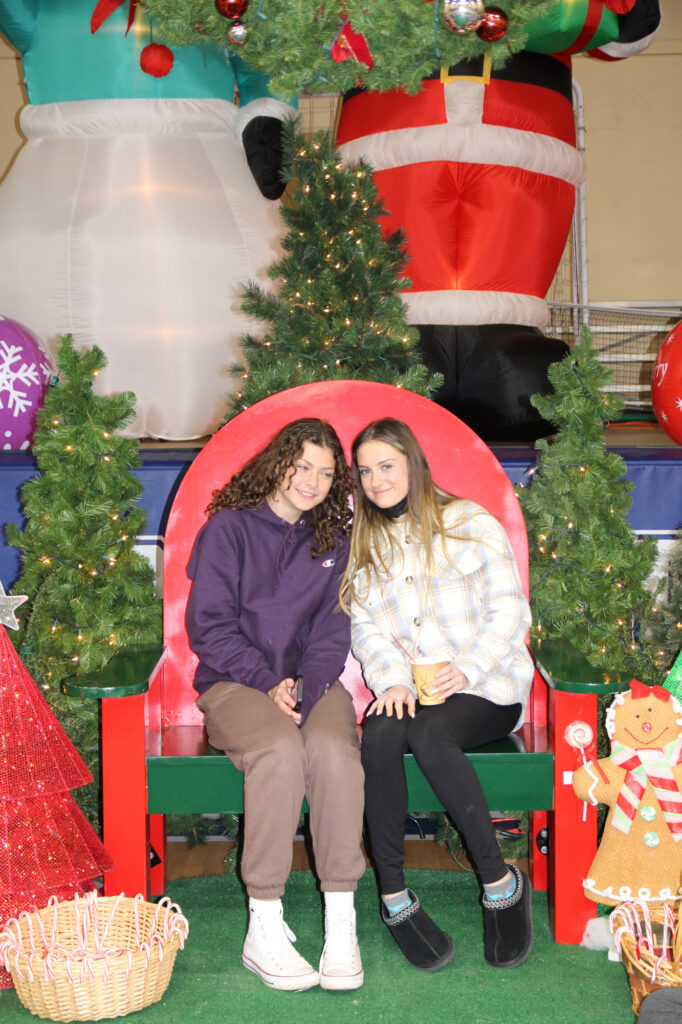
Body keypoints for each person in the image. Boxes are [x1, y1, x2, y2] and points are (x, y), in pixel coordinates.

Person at [340, 418, 534, 971]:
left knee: (429, 731)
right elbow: (366, 630)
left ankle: (499, 882)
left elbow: (510, 611)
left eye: (386, 466)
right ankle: (393, 894)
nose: (376, 480)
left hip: (488, 685)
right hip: (414, 687)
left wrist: (466, 670)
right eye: (365, 471)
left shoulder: (469, 523)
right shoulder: (367, 544)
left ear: (413, 464)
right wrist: (393, 679)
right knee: (380, 732)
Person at [186, 418, 365, 992]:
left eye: (326, 473)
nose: (312, 481)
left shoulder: (334, 540)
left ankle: (341, 922)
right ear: (279, 462)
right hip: (235, 683)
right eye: (302, 465)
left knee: (334, 751)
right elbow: (209, 628)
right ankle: (263, 924)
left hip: (312, 683)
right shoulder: (229, 529)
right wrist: (267, 682)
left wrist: (305, 687)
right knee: (280, 749)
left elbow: (333, 632)